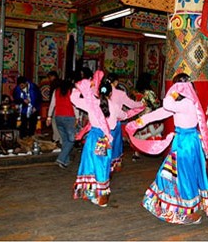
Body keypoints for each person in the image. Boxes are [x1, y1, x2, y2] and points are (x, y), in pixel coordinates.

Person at [125, 73, 208, 225]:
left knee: (183, 175)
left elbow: (166, 104)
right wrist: (138, 122)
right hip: (184, 142)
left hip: (186, 144)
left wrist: (174, 90)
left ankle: (190, 212)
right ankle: (181, 208)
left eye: (176, 86)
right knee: (173, 174)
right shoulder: (183, 103)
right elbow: (160, 112)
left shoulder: (186, 103)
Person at [70, 74, 113, 207]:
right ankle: (101, 195)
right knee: (102, 165)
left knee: (91, 164)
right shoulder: (113, 104)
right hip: (106, 138)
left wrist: (80, 88)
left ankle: (95, 194)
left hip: (94, 138)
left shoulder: (91, 103)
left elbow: (74, 99)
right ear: (110, 93)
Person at [105, 72, 144, 172]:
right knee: (114, 146)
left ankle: (102, 165)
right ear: (116, 82)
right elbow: (132, 105)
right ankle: (111, 166)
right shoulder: (120, 93)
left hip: (101, 124)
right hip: (114, 123)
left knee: (102, 145)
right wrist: (142, 103)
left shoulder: (101, 92)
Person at [131, 72, 163, 161]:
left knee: (138, 133)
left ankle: (136, 153)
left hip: (137, 115)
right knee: (153, 132)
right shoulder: (149, 92)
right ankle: (151, 150)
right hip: (147, 114)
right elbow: (155, 104)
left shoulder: (135, 91)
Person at [46, 79, 77, 169]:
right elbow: (75, 105)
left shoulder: (56, 91)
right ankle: (61, 158)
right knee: (72, 140)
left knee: (65, 140)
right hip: (69, 117)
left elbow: (52, 104)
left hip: (58, 117)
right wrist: (78, 117)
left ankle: (65, 162)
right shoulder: (72, 91)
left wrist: (49, 116)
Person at [47, 70, 62, 145]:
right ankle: (60, 138)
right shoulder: (61, 83)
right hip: (63, 106)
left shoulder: (54, 84)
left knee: (54, 122)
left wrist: (49, 114)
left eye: (50, 77)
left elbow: (53, 99)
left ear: (53, 76)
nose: (49, 79)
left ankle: (56, 137)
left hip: (56, 106)